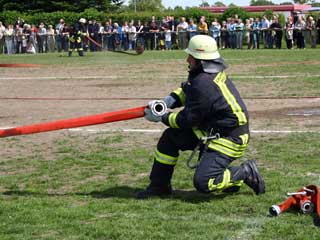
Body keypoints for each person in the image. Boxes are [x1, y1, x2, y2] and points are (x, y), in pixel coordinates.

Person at [138, 35, 265, 199]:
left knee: (204, 182)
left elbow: (186, 120)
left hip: (229, 138)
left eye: (190, 56)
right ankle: (159, 187)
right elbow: (187, 90)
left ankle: (244, 172)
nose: (187, 59)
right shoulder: (202, 75)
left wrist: (162, 117)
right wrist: (167, 101)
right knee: (170, 138)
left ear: (200, 59)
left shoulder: (205, 83)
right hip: (210, 131)